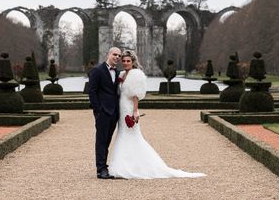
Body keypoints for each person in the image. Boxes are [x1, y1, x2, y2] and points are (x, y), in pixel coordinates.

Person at [109, 50, 206, 179]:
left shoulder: (136, 74)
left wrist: (135, 111)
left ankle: (133, 167)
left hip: (129, 108)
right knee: (122, 134)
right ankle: (124, 165)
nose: (126, 63)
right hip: (121, 109)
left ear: (133, 62)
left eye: (128, 61)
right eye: (124, 61)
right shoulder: (121, 74)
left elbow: (136, 95)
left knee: (132, 136)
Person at [88, 47, 122, 179]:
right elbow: (92, 91)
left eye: (119, 56)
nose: (117, 57)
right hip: (103, 112)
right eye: (115, 54)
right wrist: (98, 110)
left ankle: (104, 166)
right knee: (101, 141)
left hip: (114, 113)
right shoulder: (97, 70)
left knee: (107, 141)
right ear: (108, 54)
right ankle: (100, 169)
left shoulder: (118, 73)